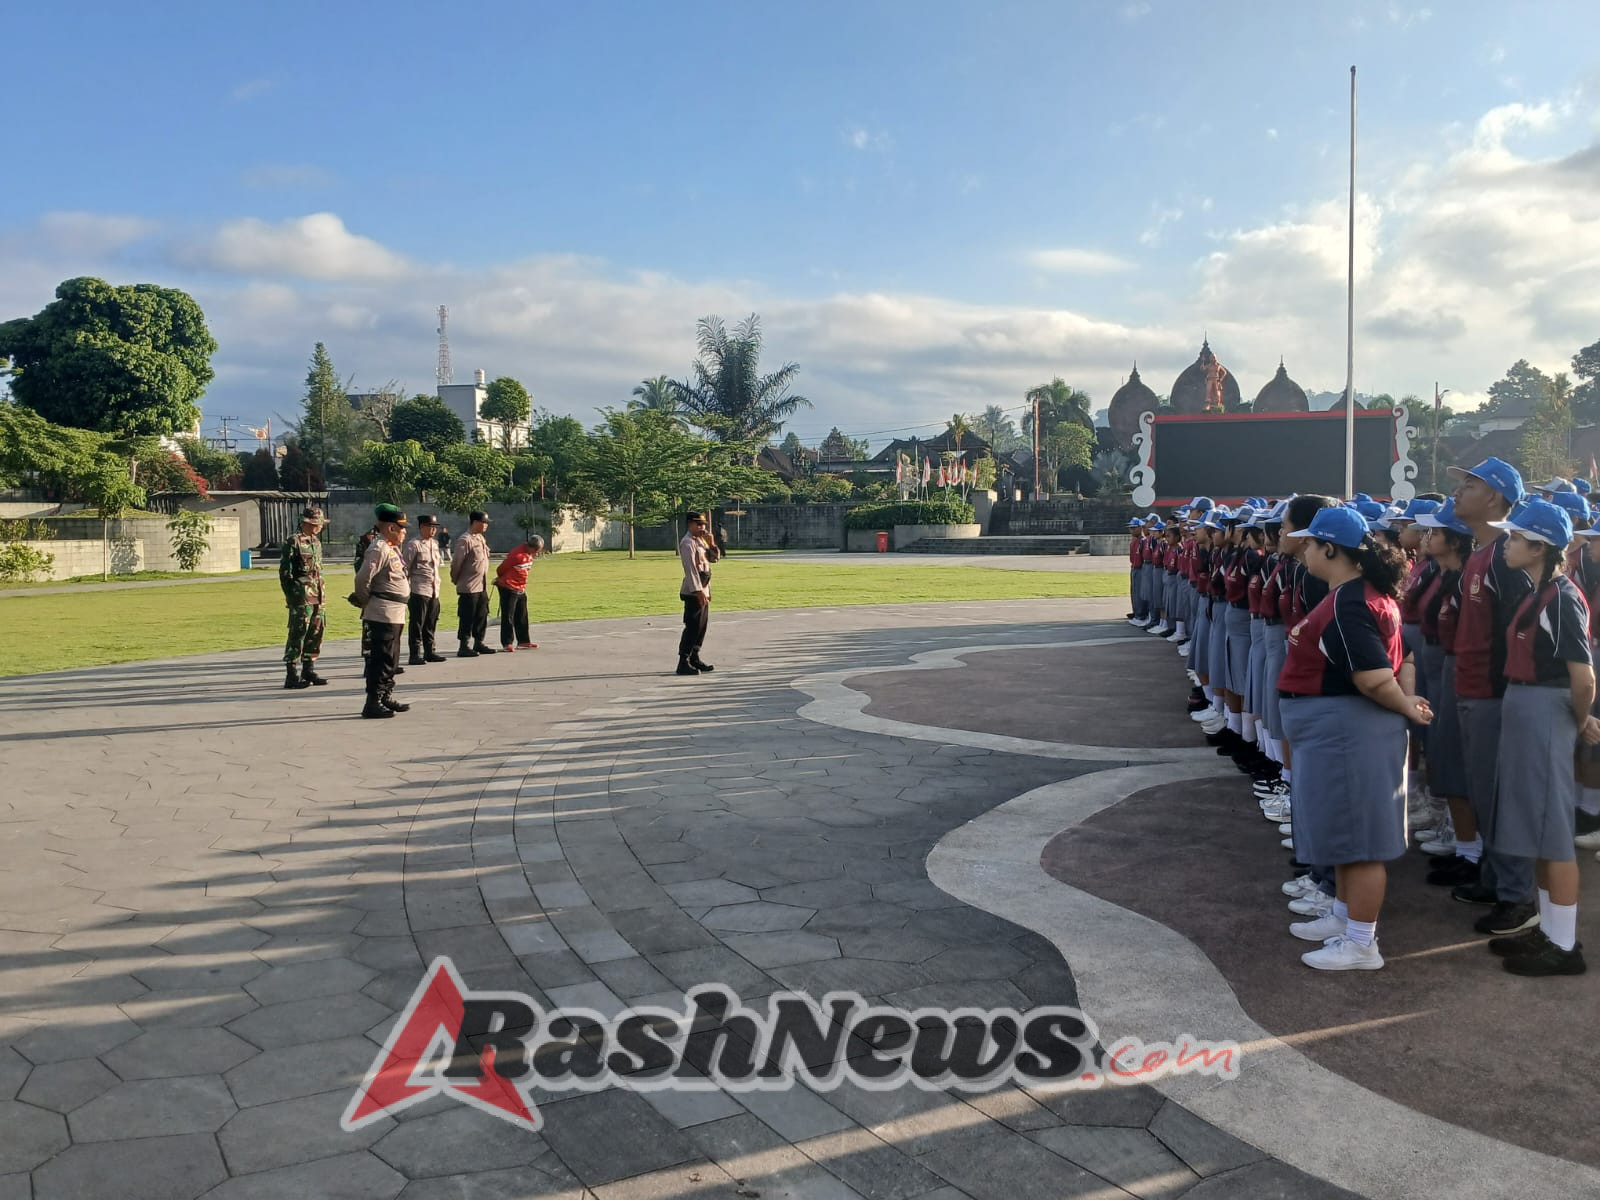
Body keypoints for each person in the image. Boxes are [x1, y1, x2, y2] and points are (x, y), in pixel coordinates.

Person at [1277, 504, 1431, 971]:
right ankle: (1344, 917)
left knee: (1360, 840)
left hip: (1351, 728)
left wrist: (1406, 705)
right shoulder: (1355, 594)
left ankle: (1363, 942)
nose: (1303, 550)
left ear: (1331, 549)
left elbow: (1372, 676)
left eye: (1310, 543)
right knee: (1345, 833)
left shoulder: (1350, 601)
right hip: (1343, 727)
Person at [1485, 500, 1596, 975]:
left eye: (1514, 538)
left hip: (1546, 709)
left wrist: (1580, 717)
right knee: (1539, 824)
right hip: (1531, 707)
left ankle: (1565, 946)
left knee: (1553, 832)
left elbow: (1584, 676)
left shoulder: (1561, 597)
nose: (1507, 544)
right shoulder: (1539, 591)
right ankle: (1550, 931)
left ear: (1539, 547)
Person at [1449, 457, 1538, 936]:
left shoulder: (1506, 554)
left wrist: (1507, 695)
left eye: (1471, 484)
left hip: (1492, 693)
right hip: (1471, 687)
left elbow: (1517, 630)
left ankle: (1517, 897)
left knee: (1501, 798)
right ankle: (1496, 877)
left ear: (1497, 498)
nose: (1459, 490)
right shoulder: (1480, 552)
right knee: (1484, 794)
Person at [353, 504, 412, 719]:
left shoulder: (391, 547)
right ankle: (373, 702)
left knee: (392, 658)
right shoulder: (378, 548)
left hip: (395, 611)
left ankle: (385, 695)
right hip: (382, 612)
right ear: (390, 528)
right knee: (382, 659)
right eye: (402, 528)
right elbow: (362, 579)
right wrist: (365, 600)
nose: (405, 532)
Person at [279, 505, 330, 690]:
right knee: (298, 632)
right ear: (307, 523)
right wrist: (290, 596)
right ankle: (291, 673)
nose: (320, 527)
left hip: (318, 594)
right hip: (301, 596)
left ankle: (309, 668)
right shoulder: (293, 542)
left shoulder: (316, 542)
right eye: (317, 523)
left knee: (316, 631)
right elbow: (285, 573)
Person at [402, 514, 447, 665]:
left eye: (435, 527)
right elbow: (404, 568)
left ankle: (430, 651)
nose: (433, 530)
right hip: (419, 589)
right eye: (430, 527)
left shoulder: (434, 544)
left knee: (431, 622)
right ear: (421, 527)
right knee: (417, 623)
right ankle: (414, 654)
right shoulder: (414, 545)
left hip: (434, 589)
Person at [451, 511, 495, 657]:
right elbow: (457, 562)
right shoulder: (465, 540)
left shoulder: (480, 538)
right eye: (484, 522)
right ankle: (464, 645)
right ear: (475, 522)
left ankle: (479, 642)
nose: (486, 525)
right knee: (467, 617)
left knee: (482, 614)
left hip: (481, 585)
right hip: (469, 586)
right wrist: (456, 579)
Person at [677, 511, 715, 675]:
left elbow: (713, 559)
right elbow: (691, 569)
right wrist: (698, 591)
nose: (702, 527)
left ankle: (695, 657)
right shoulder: (687, 543)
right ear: (689, 525)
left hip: (703, 589)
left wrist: (712, 543)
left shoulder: (700, 541)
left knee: (702, 627)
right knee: (692, 627)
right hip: (694, 592)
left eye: (703, 524)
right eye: (698, 524)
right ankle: (683, 661)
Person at [495, 536, 543, 652]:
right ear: (530, 547)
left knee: (522, 614)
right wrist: (502, 580)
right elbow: (501, 569)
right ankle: (507, 643)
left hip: (521, 587)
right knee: (508, 616)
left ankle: (523, 641)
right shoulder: (516, 555)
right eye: (536, 551)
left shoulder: (530, 554)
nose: (536, 554)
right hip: (508, 587)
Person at [355, 523, 380, 659]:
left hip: (386, 593)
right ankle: (369, 661)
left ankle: (386, 659)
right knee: (369, 626)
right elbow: (360, 570)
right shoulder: (368, 539)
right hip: (371, 591)